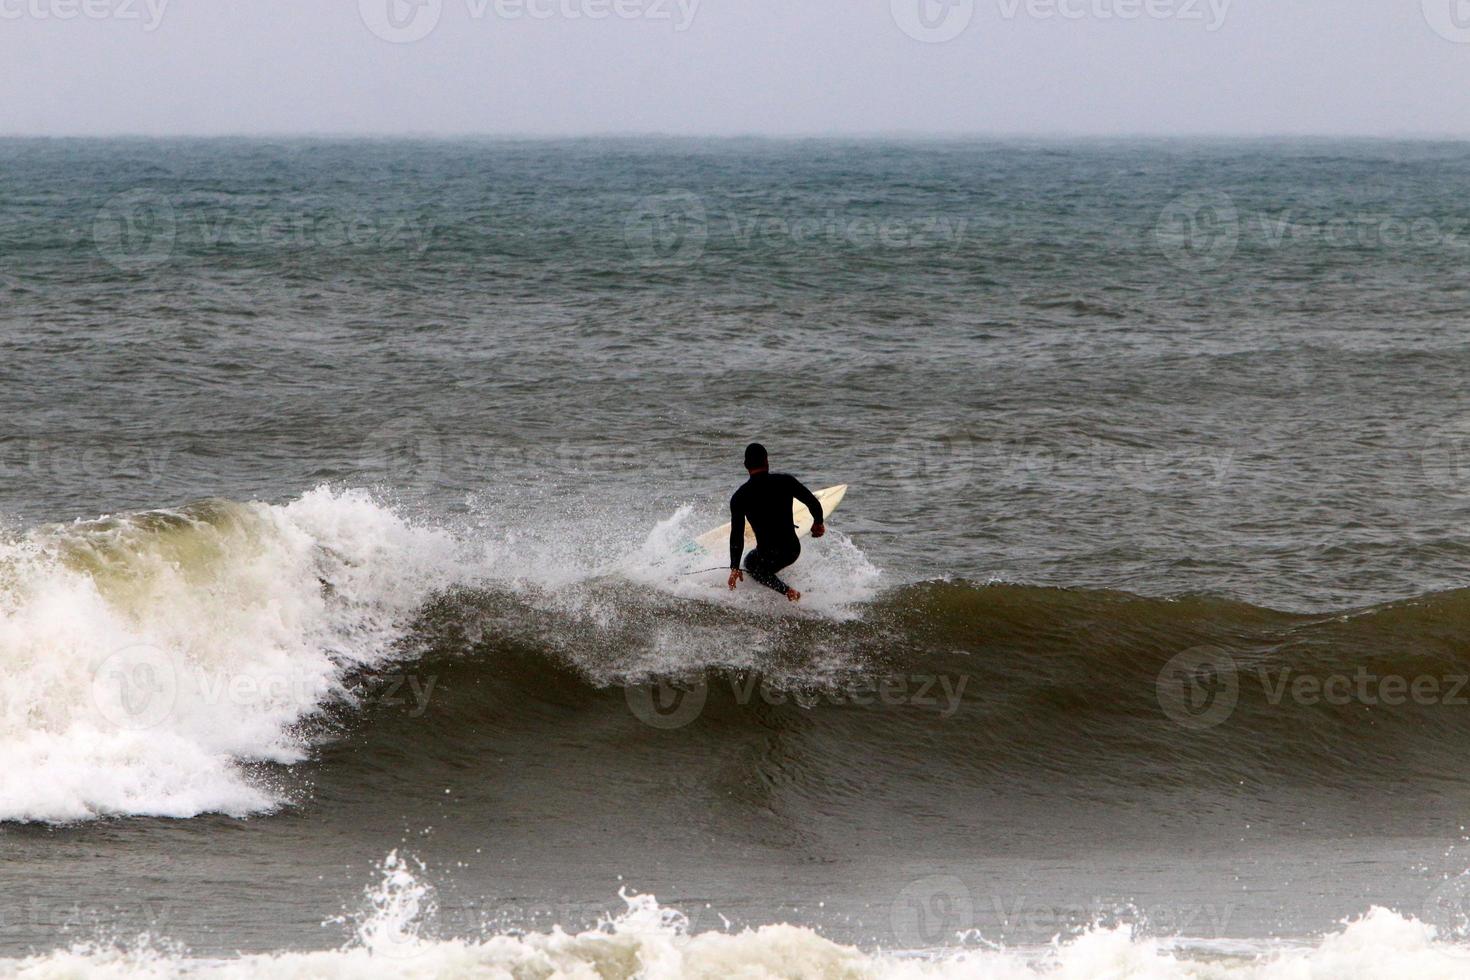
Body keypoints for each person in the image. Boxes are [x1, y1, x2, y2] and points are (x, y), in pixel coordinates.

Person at [726, 443, 825, 602]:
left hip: (767, 553)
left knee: (751, 563)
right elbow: (812, 502)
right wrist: (818, 523)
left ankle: (788, 591)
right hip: (792, 551)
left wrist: (735, 567)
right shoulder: (785, 481)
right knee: (769, 564)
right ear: (767, 461)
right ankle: (784, 584)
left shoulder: (740, 497)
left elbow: (737, 535)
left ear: (745, 465)